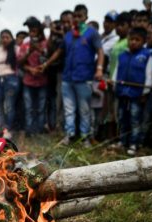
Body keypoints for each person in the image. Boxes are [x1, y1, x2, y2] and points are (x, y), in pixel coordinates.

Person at [42, 4, 104, 147]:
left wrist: (99, 69)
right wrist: (46, 64)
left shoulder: (92, 32)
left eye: (80, 16)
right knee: (69, 109)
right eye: (75, 16)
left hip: (84, 77)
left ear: (86, 17)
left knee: (84, 109)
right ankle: (69, 135)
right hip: (67, 78)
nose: (77, 19)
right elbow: (59, 51)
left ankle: (85, 137)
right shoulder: (69, 34)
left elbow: (100, 51)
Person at [112, 27, 152, 155]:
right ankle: (123, 141)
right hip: (122, 92)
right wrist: (114, 86)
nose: (133, 42)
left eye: (137, 40)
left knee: (135, 119)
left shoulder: (146, 55)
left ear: (143, 41)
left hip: (136, 94)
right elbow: (116, 72)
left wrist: (145, 92)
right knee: (122, 118)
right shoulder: (122, 55)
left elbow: (149, 75)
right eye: (131, 39)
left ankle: (134, 143)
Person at [18, 16, 48, 136]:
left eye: (33, 27)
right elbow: (19, 62)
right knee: (29, 107)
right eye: (29, 27)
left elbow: (50, 59)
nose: (30, 29)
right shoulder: (25, 43)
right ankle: (29, 131)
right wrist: (30, 67)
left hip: (43, 80)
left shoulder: (46, 43)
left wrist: (40, 51)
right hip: (28, 80)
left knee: (41, 107)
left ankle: (40, 130)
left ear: (39, 28)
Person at [46, 20, 65, 131]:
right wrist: (51, 33)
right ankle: (53, 125)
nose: (57, 29)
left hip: (61, 73)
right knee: (52, 101)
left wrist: (62, 34)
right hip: (51, 74)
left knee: (60, 101)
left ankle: (59, 126)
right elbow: (48, 49)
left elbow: (62, 51)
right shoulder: (52, 38)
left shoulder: (66, 37)